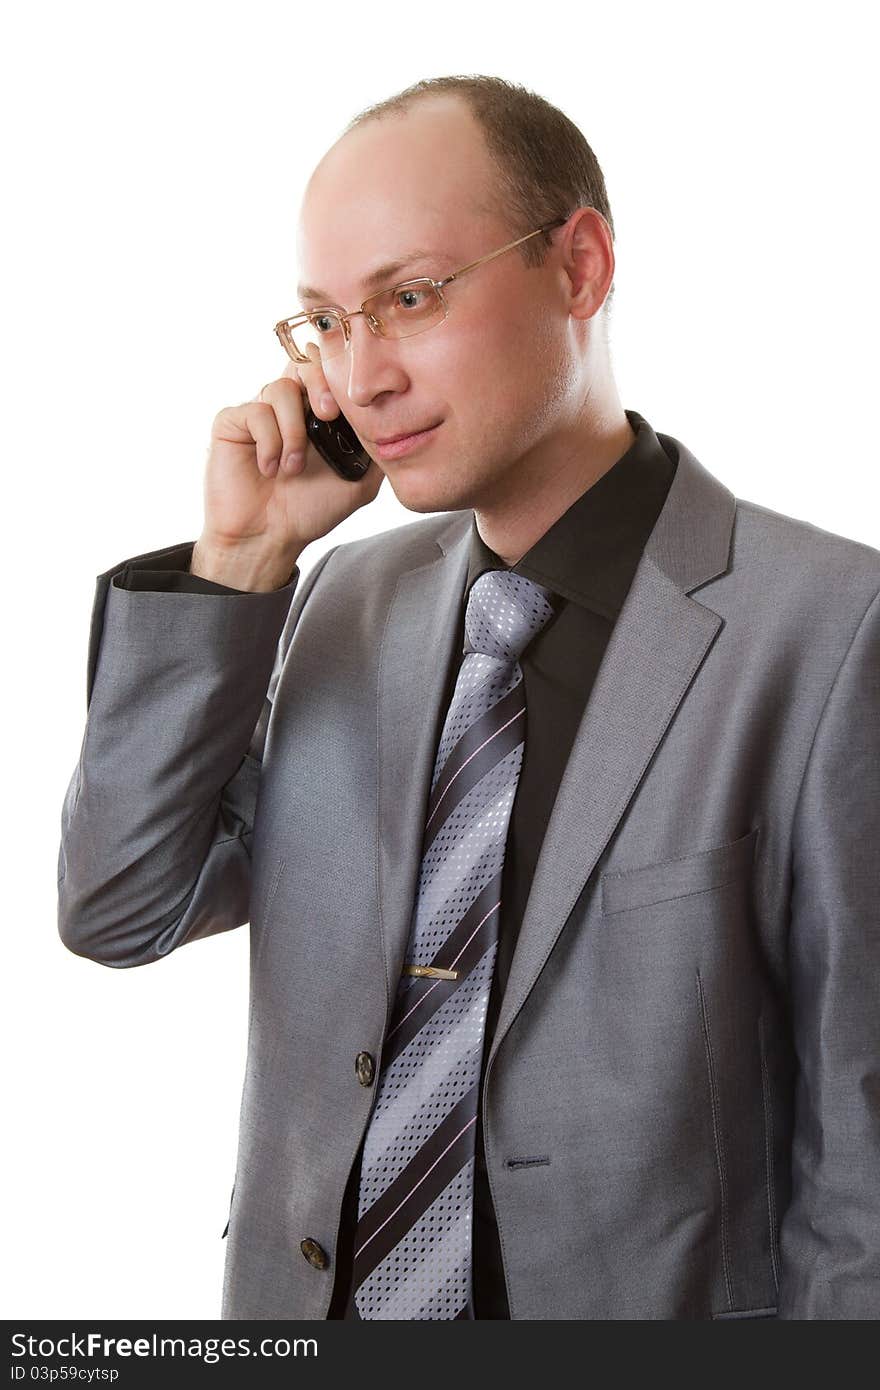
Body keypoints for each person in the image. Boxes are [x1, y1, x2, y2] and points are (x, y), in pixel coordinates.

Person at [57, 74, 880, 1321]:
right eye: (324, 322)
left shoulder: (827, 629)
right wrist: (239, 567)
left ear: (581, 266)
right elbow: (122, 905)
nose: (361, 374)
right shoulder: (336, 602)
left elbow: (860, 1159)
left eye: (409, 297)